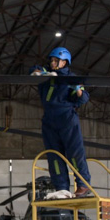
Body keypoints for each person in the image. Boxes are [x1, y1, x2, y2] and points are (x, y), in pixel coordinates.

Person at [30, 47, 91, 199]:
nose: (52, 63)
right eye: (51, 60)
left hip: (67, 118)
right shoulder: (45, 75)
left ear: (64, 62)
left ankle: (83, 184)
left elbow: (83, 98)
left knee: (74, 153)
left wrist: (77, 88)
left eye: (55, 60)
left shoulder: (71, 77)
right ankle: (61, 188)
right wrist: (43, 74)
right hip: (49, 120)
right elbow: (33, 70)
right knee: (54, 156)